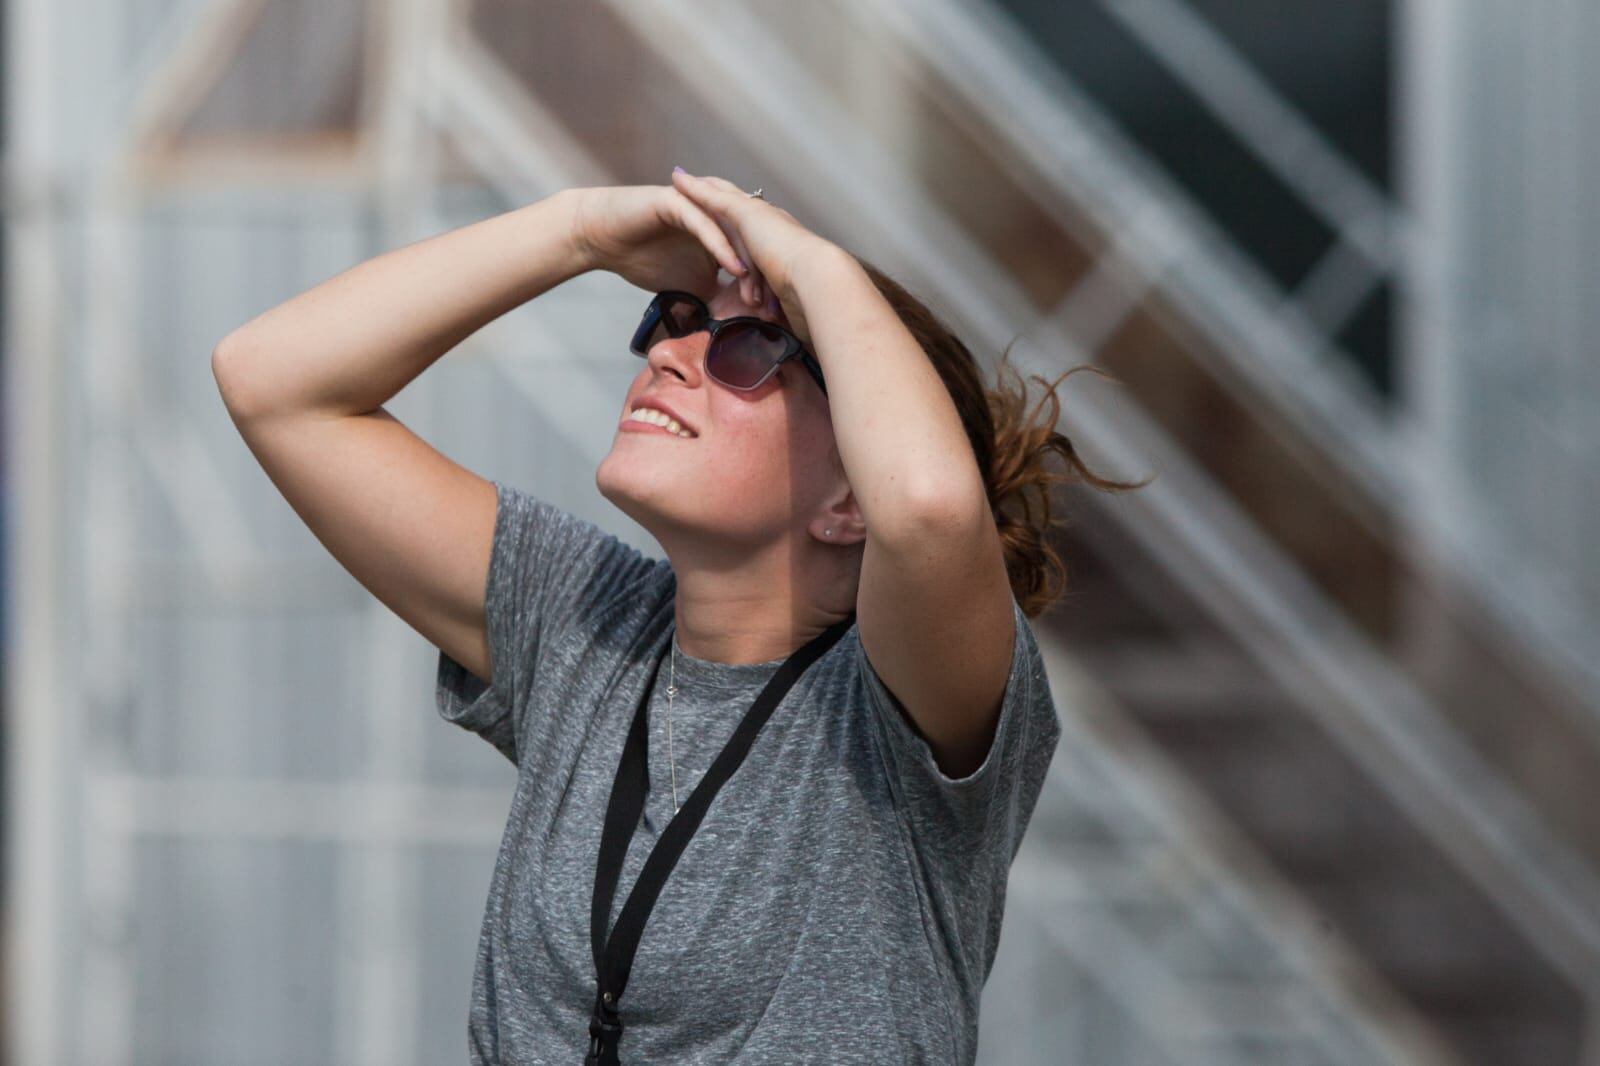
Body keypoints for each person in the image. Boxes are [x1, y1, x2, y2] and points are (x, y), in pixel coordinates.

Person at [212, 170, 1146, 1064]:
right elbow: (273, 380)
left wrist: (809, 262)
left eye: (747, 350)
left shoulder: (899, 711)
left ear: (851, 501)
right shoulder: (586, 624)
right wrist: (577, 231)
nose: (669, 352)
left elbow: (935, 511)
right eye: (675, 320)